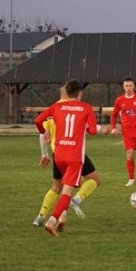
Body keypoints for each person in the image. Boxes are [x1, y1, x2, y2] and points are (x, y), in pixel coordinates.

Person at [34, 80, 98, 236]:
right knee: (67, 191)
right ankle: (52, 221)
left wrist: (45, 133)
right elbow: (94, 131)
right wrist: (86, 127)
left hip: (59, 155)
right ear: (80, 93)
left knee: (63, 187)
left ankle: (60, 216)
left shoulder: (57, 107)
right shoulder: (86, 108)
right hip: (74, 156)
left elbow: (37, 120)